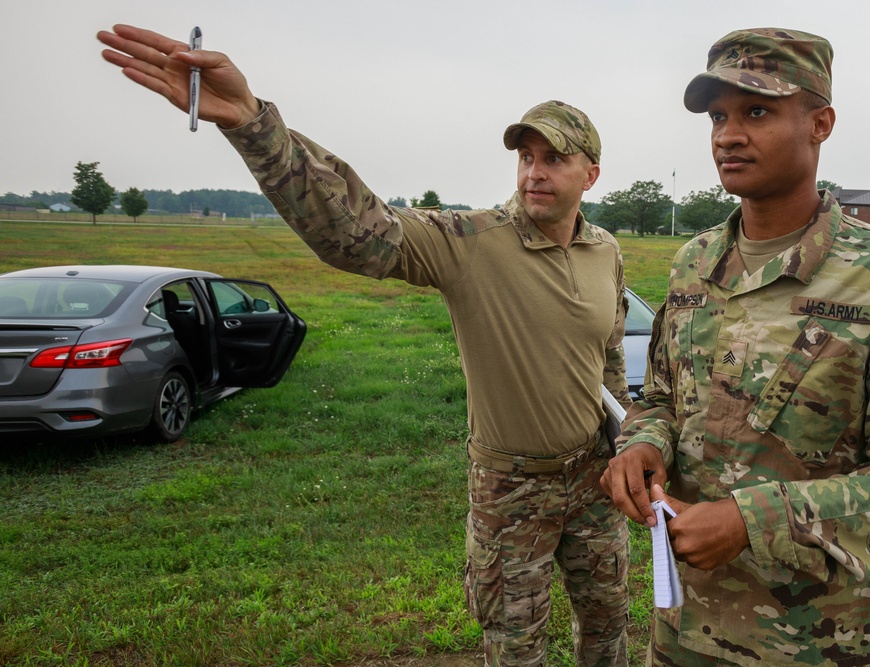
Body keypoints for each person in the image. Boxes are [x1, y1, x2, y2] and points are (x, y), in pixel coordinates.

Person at [98, 24, 632, 667]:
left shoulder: (605, 251)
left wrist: (625, 446)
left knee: (608, 632)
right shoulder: (470, 241)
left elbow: (607, 360)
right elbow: (357, 231)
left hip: (595, 477)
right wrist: (251, 123)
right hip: (511, 490)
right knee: (514, 649)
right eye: (526, 156)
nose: (534, 172)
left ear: (591, 174)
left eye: (553, 159)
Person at [600, 27, 870, 666]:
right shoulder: (694, 263)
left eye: (757, 111)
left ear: (820, 123)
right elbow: (659, 396)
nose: (727, 135)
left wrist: (751, 521)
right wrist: (642, 442)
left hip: (822, 645)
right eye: (718, 116)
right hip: (685, 636)